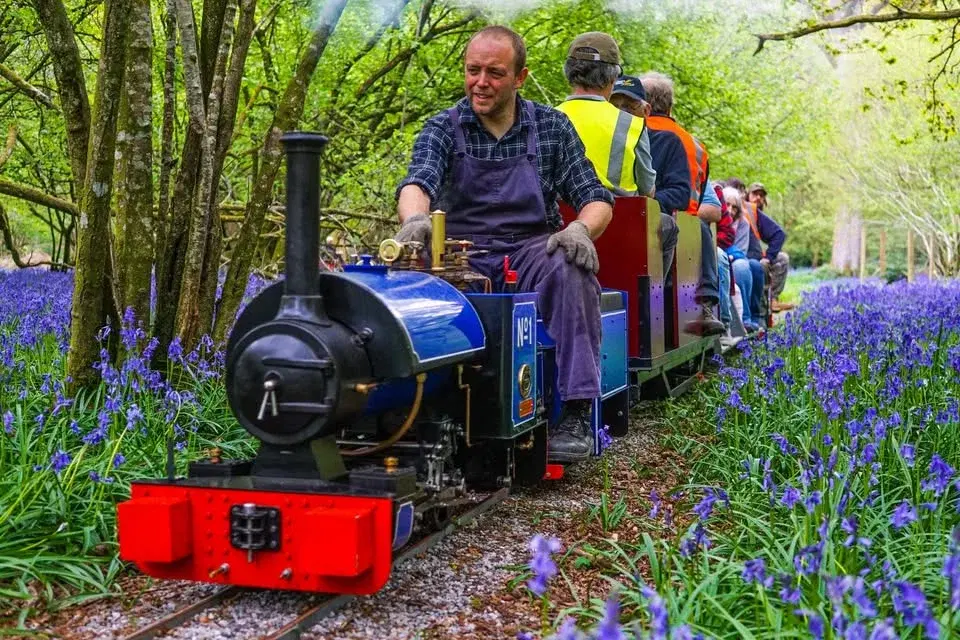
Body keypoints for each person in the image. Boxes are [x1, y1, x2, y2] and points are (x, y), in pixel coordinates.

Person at [394, 26, 614, 463]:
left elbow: (595, 198)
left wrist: (579, 230)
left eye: (494, 73)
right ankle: (418, 409)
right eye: (473, 70)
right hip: (462, 252)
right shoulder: (442, 127)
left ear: (520, 77)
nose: (481, 81)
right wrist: (417, 219)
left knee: (571, 269)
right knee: (413, 288)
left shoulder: (551, 127)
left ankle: (575, 412)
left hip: (532, 248)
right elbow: (417, 181)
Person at [556, 33, 678, 279]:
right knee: (668, 226)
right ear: (613, 77)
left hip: (558, 225)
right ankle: (650, 309)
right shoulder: (629, 123)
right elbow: (648, 189)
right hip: (618, 227)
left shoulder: (547, 116)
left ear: (569, 72)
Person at [632, 71, 724, 336]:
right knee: (697, 227)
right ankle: (704, 304)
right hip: (687, 230)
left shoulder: (627, 132)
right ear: (670, 106)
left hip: (645, 221)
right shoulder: (695, 145)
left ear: (642, 105)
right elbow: (698, 191)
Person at [722, 185, 763, 332]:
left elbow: (741, 251)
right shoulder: (714, 218)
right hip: (723, 257)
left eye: (734, 207)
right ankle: (741, 319)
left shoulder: (743, 224)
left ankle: (749, 318)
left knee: (747, 267)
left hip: (735, 258)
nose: (730, 210)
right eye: (727, 205)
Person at [746, 183, 792, 311]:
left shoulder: (757, 215)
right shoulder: (743, 209)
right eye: (755, 194)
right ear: (747, 195)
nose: (758, 198)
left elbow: (778, 234)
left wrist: (768, 256)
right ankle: (761, 306)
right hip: (742, 256)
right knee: (761, 265)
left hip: (755, 255)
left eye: (761, 195)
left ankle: (772, 299)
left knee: (782, 258)